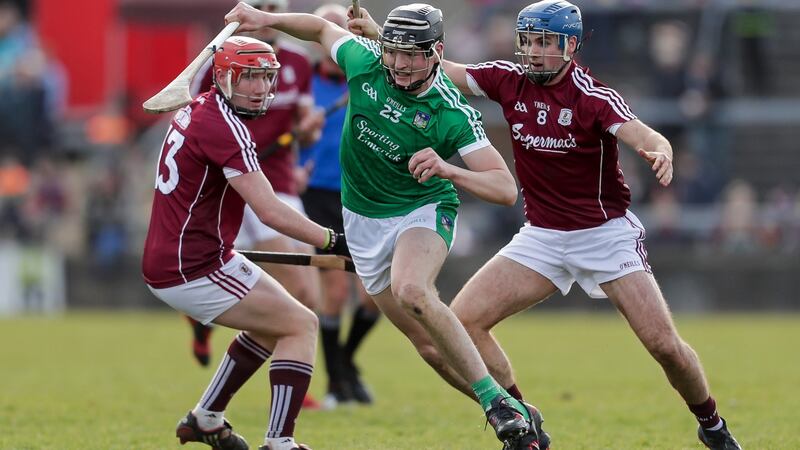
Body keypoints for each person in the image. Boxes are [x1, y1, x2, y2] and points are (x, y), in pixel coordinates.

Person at [348, 1, 740, 449]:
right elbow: (438, 66)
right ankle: (520, 418)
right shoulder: (507, 80)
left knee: (664, 345)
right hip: (542, 237)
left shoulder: (591, 96)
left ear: (570, 45)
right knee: (465, 323)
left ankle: (712, 426)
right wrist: (383, 36)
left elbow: (641, 132)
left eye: (545, 43)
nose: (533, 52)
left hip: (604, 234)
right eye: (528, 42)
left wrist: (660, 149)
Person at [225, 2, 539, 448]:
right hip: (362, 218)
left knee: (414, 291)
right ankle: (523, 416)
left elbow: (504, 187)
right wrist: (266, 19)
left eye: (413, 54)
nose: (401, 64)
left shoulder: (451, 111)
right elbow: (318, 28)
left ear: (436, 52)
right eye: (394, 51)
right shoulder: (365, 61)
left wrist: (450, 170)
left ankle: (497, 406)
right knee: (430, 349)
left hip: (423, 209)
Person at [142, 36, 348, 450]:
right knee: (301, 325)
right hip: (192, 266)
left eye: (266, 78)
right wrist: (334, 240)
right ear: (222, 77)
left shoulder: (200, 109)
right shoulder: (224, 127)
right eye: (248, 77)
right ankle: (279, 442)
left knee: (278, 321)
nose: (260, 88)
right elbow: (270, 210)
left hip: (195, 255)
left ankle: (205, 418)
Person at [185, 0, 324, 398]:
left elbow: (305, 129)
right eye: (257, 5)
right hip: (240, 183)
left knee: (307, 295)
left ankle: (288, 366)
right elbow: (196, 120)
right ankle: (291, 378)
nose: (263, 15)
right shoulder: (219, 58)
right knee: (293, 291)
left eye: (271, 7)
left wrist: (309, 131)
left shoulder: (298, 62)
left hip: (279, 178)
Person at [298, 3, 381, 410]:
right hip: (316, 196)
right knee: (333, 292)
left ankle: (345, 364)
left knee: (375, 295)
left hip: (364, 193)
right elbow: (280, 139)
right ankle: (336, 384)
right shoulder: (300, 83)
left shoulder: (369, 78)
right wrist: (301, 133)